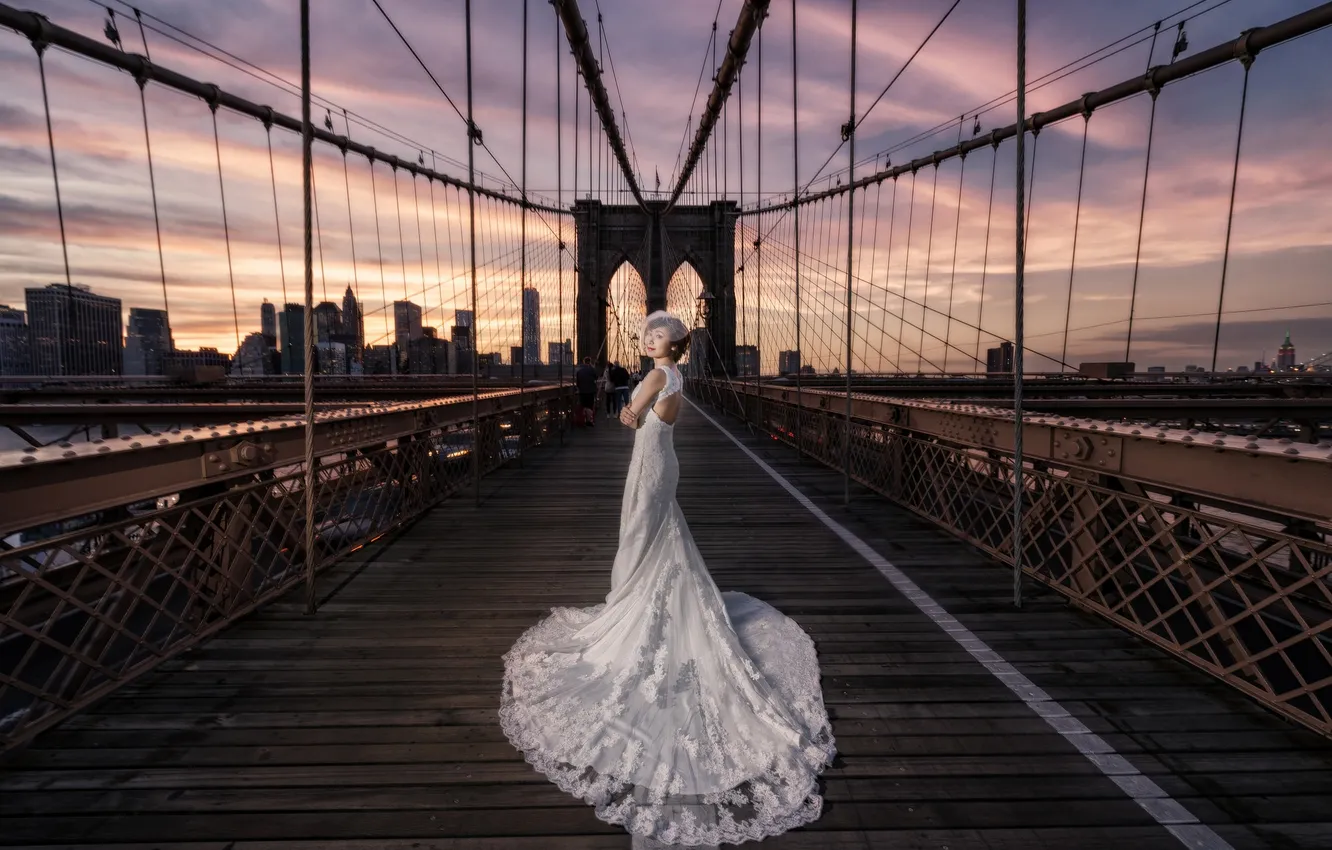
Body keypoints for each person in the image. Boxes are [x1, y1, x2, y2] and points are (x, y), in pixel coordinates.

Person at [501, 310, 834, 846]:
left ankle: (635, 600)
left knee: (640, 536)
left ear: (673, 344)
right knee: (659, 537)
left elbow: (627, 420)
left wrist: (628, 407)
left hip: (649, 464)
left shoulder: (656, 375)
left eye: (656, 334)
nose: (647, 337)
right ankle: (647, 592)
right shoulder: (676, 377)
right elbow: (651, 415)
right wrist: (637, 408)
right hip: (664, 462)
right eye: (647, 333)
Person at [575, 356, 599, 427]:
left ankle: (583, 420)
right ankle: (589, 420)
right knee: (589, 406)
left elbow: (578, 382)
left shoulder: (579, 371)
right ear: (590, 362)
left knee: (583, 405)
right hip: (590, 391)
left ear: (584, 362)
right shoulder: (592, 369)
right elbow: (596, 377)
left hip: (582, 391)